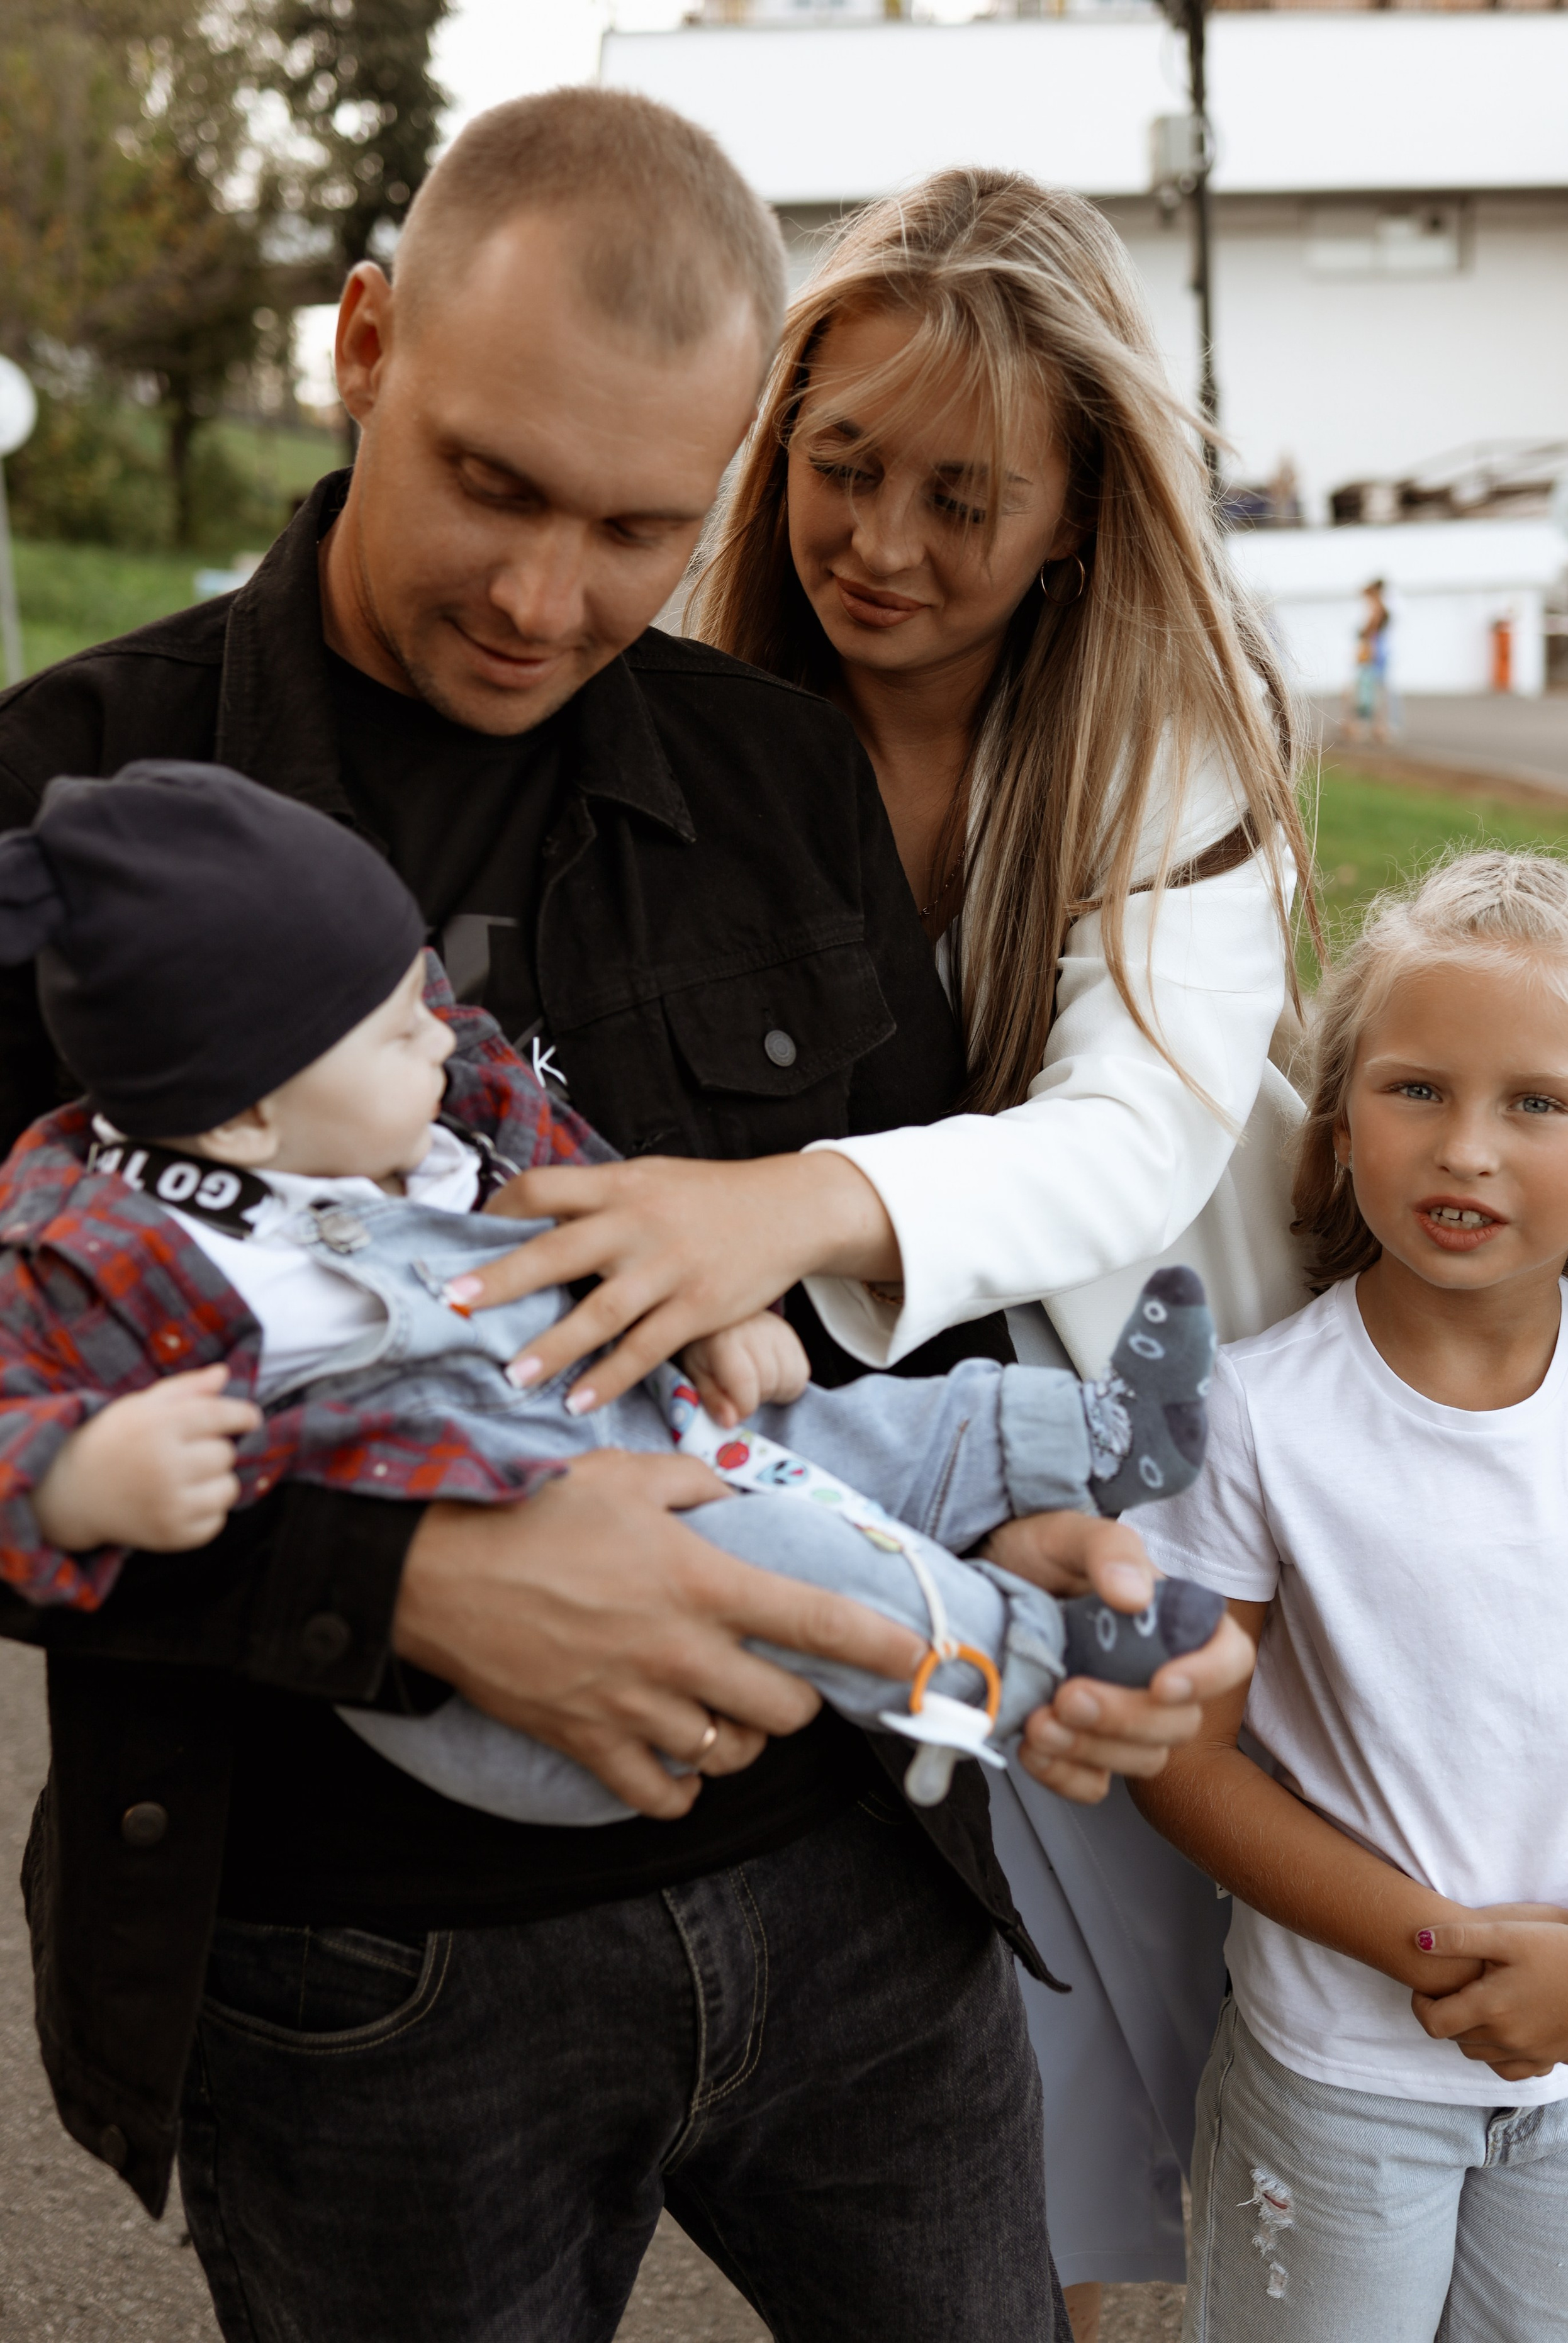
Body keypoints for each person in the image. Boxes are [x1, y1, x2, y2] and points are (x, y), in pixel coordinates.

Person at [0, 98, 1247, 2340]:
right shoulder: (62, 808)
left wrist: (1027, 1541)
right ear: (362, 343)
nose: (542, 595)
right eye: (491, 479)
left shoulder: (775, 769)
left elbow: (891, 1305)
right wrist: (409, 1585)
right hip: (364, 1980)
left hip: (865, 1903)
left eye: (638, 526)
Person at [435, 169, 1312, 2330]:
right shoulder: (698, 714)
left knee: (1207, 1990)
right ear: (775, 436)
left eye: (964, 498)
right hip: (861, 1448)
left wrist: (784, 1207)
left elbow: (1129, 1138)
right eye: (840, 468)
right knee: (986, 1995)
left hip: (1160, 1412)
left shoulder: (1168, 734)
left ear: (1083, 510)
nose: (885, 546)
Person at [0, 760, 1227, 1825]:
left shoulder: (443, 1108)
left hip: (631, 1416)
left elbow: (606, 1200)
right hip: (527, 1612)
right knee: (792, 1553)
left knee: (840, 1431)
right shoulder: (100, 1251)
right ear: (243, 1113)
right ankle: (1029, 1664)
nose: (445, 1036)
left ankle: (1087, 1435)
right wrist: (75, 1474)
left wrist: (705, 1305)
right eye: (394, 1030)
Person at [1134, 851, 1568, 2339]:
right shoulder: (1253, 1416)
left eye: (1534, 1102)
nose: (1465, 1147)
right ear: (1336, 1124)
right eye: (1415, 1090)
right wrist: (1427, 1948)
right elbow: (1178, 1754)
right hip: (1336, 2088)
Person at [1342, 576, 1392, 747]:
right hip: (1376, 653)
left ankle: (1369, 728)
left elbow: (1367, 633)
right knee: (1375, 691)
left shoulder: (1376, 609)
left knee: (1366, 692)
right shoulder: (1380, 608)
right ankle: (1377, 729)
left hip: (1372, 654)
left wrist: (1364, 649)